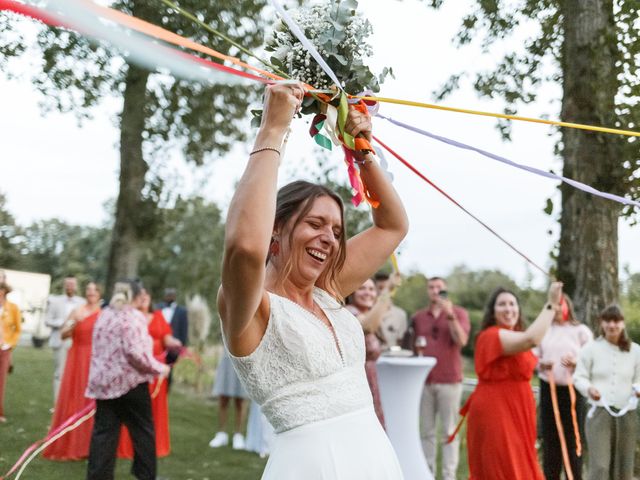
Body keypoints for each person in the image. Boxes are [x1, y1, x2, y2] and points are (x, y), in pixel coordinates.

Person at [218, 82, 408, 479]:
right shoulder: (252, 307)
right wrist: (272, 129)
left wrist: (361, 149)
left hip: (376, 461)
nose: (329, 238)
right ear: (276, 230)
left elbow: (392, 226)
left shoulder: (328, 291)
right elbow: (244, 247)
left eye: (337, 231)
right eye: (315, 224)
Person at [462, 282, 563, 480]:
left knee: (520, 462)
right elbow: (531, 339)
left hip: (518, 411)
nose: (508, 309)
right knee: (503, 465)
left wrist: (541, 366)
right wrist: (551, 304)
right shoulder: (490, 336)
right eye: (502, 305)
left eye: (512, 304)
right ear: (492, 311)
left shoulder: (513, 335)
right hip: (496, 410)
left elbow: (514, 366)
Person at [85, 280, 169, 480]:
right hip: (130, 385)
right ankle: (146, 475)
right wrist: (160, 368)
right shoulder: (134, 317)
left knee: (104, 435)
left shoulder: (103, 315)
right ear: (137, 297)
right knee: (143, 433)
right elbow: (135, 354)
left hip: (104, 385)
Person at [410, 276, 469, 480]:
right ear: (428, 291)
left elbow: (461, 341)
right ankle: (427, 474)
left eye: (439, 288)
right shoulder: (418, 317)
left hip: (449, 380)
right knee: (426, 431)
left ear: (445, 291)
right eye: (431, 287)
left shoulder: (459, 313)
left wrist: (450, 314)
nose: (435, 291)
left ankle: (448, 476)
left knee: (449, 432)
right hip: (424, 381)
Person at [573, 304, 640, 480]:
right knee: (600, 466)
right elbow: (579, 376)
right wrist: (589, 388)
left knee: (624, 465)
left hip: (627, 413)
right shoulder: (590, 349)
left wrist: (637, 389)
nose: (612, 325)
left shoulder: (635, 351)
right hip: (599, 413)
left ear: (623, 323)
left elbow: (639, 378)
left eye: (616, 321)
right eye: (608, 321)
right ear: (601, 323)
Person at [118, 289, 182, 459]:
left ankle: (152, 445)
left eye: (147, 296)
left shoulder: (158, 316)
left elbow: (166, 338)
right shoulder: (130, 318)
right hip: (136, 366)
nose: (145, 298)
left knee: (154, 408)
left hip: (156, 369)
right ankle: (127, 445)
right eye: (142, 296)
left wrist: (176, 344)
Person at [535, 293, 592, 480]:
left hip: (572, 391)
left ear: (568, 306)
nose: (558, 309)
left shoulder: (581, 331)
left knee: (572, 437)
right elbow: (532, 355)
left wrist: (576, 362)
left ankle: (573, 476)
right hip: (548, 388)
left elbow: (591, 357)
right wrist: (541, 364)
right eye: (555, 305)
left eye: (561, 305)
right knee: (550, 437)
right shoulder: (543, 331)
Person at [44, 282, 102, 460]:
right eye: (88, 290)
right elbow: (63, 334)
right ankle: (71, 442)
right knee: (74, 396)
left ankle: (90, 445)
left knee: (92, 400)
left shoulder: (104, 314)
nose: (91, 293)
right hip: (77, 357)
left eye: (94, 290)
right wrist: (73, 324)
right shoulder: (78, 311)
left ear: (99, 294)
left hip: (96, 358)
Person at [346, 275, 400, 427]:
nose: (367, 293)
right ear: (351, 293)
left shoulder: (367, 314)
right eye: (361, 288)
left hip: (370, 381)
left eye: (371, 289)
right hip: (356, 383)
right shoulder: (349, 312)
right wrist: (387, 291)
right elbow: (368, 326)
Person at [45, 276, 85, 403]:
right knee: (59, 373)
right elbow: (47, 320)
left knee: (76, 373)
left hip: (77, 342)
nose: (70, 287)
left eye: (72, 284)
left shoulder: (82, 303)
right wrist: (63, 322)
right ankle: (58, 404)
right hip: (60, 341)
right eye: (67, 284)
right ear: (64, 285)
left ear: (76, 286)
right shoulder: (55, 301)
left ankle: (72, 402)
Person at [208, 347, 249, 449]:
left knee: (240, 400)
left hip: (243, 359)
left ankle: (238, 435)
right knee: (223, 398)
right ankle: (221, 434)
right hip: (227, 358)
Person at [0, 282, 21, 423]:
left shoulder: (13, 308)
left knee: (1, 381)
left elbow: (18, 329)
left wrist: (10, 344)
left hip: (4, 349)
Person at [373, 272, 408, 350]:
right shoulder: (367, 312)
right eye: (380, 288)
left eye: (387, 288)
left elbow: (401, 342)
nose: (383, 292)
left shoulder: (400, 314)